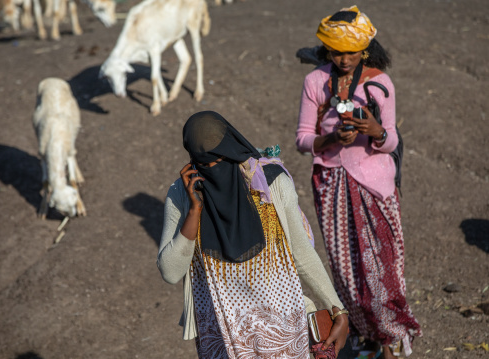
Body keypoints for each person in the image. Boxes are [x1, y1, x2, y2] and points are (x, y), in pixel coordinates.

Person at [157, 111, 349, 358]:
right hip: (223, 338)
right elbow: (170, 272)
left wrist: (338, 310)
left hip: (283, 332)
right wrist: (194, 212)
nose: (212, 171)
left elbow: (300, 252)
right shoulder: (183, 194)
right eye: (203, 164)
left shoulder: (270, 184)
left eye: (219, 162)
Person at [295, 6, 422, 359]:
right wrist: (331, 138)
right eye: (337, 52)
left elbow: (392, 140)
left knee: (384, 270)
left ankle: (392, 340)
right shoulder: (315, 82)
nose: (344, 58)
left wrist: (376, 131)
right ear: (327, 50)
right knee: (345, 269)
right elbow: (303, 139)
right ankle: (365, 338)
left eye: (351, 51)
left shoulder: (380, 83)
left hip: (375, 185)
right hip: (331, 184)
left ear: (365, 49)